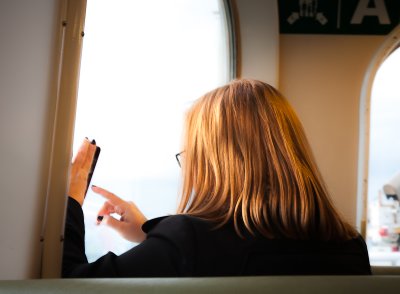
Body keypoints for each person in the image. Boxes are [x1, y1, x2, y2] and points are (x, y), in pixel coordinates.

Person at [62, 79, 371, 277]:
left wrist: (72, 200)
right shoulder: (349, 244)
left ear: (214, 162)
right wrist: (149, 235)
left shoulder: (188, 240)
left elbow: (72, 284)